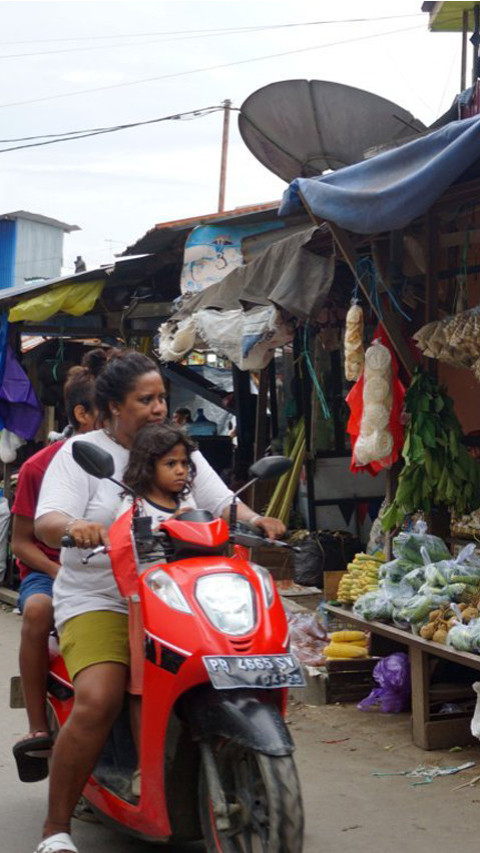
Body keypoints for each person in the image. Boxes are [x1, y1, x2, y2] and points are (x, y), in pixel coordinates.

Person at [33, 349, 284, 853]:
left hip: (177, 593)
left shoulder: (177, 448)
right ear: (110, 409)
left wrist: (257, 521)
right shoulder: (81, 454)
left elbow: (218, 500)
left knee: (235, 663)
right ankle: (55, 829)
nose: (157, 408)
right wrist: (76, 527)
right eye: (144, 400)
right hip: (101, 596)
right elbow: (46, 520)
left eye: (161, 398)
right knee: (100, 697)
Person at [11, 357, 99, 784]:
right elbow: (22, 543)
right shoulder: (37, 467)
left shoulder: (138, 459)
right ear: (82, 415)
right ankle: (37, 726)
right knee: (38, 611)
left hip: (111, 568)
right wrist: (57, 570)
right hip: (49, 569)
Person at [118, 421, 197, 797]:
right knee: (142, 689)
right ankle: (142, 766)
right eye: (171, 464)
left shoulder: (189, 505)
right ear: (148, 467)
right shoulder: (133, 507)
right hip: (146, 610)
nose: (181, 470)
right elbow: (126, 549)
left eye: (184, 463)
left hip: (189, 609)